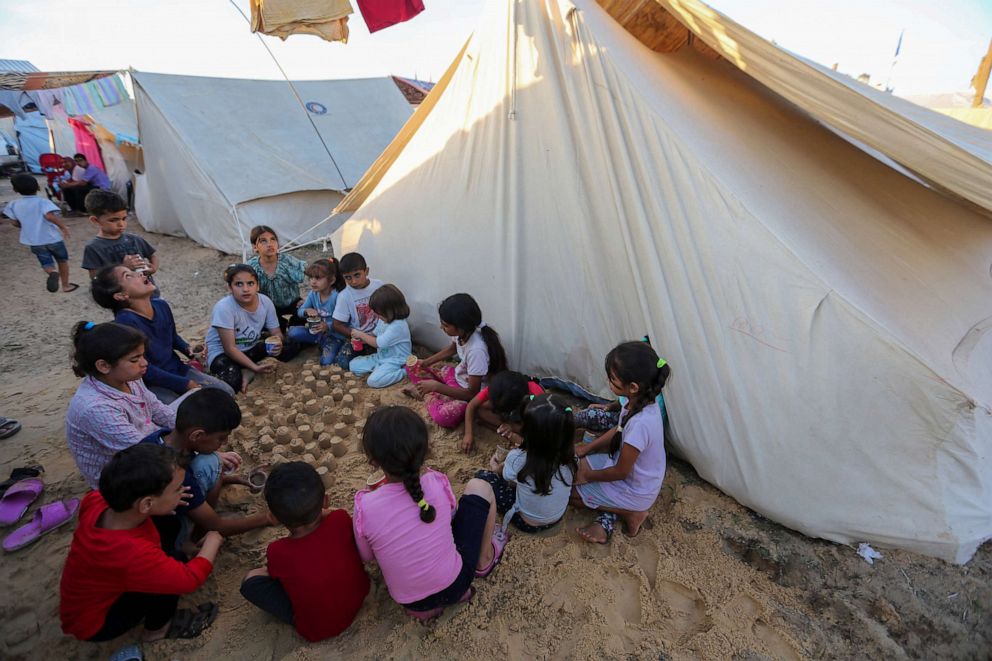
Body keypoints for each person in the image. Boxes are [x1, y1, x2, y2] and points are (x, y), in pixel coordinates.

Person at [353, 406, 506, 621]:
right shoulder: (435, 482)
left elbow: (367, 556)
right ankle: (484, 559)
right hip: (456, 583)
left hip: (409, 600)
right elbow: (452, 518)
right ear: (426, 450)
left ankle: (424, 610)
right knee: (480, 487)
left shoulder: (364, 504)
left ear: (373, 462)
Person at [60, 444, 223, 642]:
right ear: (146, 504)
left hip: (88, 596)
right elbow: (189, 579)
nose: (182, 492)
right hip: (98, 622)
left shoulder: (97, 500)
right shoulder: (132, 554)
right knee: (177, 560)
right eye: (177, 489)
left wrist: (164, 504)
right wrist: (212, 541)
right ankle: (157, 631)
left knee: (169, 524)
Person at [241, 462, 369, 641]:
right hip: (359, 596)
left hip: (317, 629)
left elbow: (276, 574)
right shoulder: (340, 518)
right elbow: (329, 516)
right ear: (326, 500)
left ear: (274, 518)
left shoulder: (278, 551)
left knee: (251, 581)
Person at [140, 389, 272, 547]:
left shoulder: (158, 439)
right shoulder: (176, 473)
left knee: (212, 462)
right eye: (221, 438)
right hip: (165, 534)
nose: (224, 443)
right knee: (212, 462)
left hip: (157, 513)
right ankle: (192, 537)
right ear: (197, 436)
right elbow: (216, 526)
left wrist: (234, 479)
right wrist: (267, 518)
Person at [572, 341, 671, 543]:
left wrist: (588, 475)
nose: (609, 382)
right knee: (574, 465)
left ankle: (632, 513)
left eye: (612, 379)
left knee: (570, 494)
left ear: (633, 387)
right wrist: (586, 449)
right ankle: (621, 510)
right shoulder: (636, 404)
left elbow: (620, 472)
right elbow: (618, 428)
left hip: (636, 488)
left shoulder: (642, 425)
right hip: (634, 475)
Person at [91, 264, 235, 403]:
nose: (140, 273)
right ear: (121, 295)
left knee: (226, 392)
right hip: (151, 382)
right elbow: (143, 369)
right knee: (181, 413)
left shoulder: (161, 305)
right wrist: (184, 384)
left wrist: (188, 349)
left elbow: (172, 337)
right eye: (128, 276)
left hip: (177, 369)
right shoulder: (125, 325)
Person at [65, 321, 175, 489]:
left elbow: (158, 409)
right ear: (103, 366)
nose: (145, 363)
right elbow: (144, 450)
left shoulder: (128, 379)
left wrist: (186, 430)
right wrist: (190, 446)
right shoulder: (95, 407)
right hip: (119, 478)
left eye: (143, 356)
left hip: (145, 444)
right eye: (135, 359)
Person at [474, 394, 577, 533]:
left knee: (484, 476)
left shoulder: (518, 458)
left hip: (527, 522)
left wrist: (496, 468)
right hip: (556, 517)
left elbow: (506, 477)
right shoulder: (571, 458)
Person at [404, 293, 508, 428]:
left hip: (468, 392)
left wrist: (437, 387)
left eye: (445, 325)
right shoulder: (462, 334)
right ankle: (431, 392)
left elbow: (472, 394)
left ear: (460, 326)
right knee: (413, 367)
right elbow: (451, 349)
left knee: (443, 417)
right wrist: (426, 362)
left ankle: (429, 394)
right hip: (457, 377)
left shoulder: (477, 351)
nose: (441, 328)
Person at [206, 264, 300, 394]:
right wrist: (254, 367)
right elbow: (230, 348)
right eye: (239, 284)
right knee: (233, 381)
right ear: (229, 287)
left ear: (258, 286)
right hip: (223, 354)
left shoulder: (265, 302)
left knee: (291, 346)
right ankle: (247, 369)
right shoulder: (224, 308)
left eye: (250, 283)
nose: (245, 289)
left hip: (250, 347)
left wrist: (278, 343)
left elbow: (276, 332)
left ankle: (247, 368)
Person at [1, 173, 78, 293]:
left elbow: (15, 223)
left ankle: (52, 272)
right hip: (53, 239)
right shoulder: (43, 202)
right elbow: (49, 215)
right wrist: (63, 227)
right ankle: (66, 285)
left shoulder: (13, 205)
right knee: (62, 261)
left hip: (35, 241)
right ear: (38, 187)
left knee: (46, 263)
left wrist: (24, 224)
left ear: (15, 190)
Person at [81, 189, 159, 287]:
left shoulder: (134, 239)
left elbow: (152, 256)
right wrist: (123, 267)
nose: (121, 224)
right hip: (122, 298)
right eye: (113, 220)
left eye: (124, 219)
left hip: (148, 291)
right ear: (95, 220)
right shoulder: (93, 248)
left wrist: (153, 268)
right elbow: (95, 278)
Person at [461, 370, 545, 453]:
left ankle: (509, 431)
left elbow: (539, 427)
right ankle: (506, 430)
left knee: (528, 433)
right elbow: (472, 405)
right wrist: (468, 434)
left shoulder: (535, 396)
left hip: (526, 417)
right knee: (480, 409)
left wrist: (512, 427)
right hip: (509, 412)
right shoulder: (496, 388)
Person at [286, 258, 348, 366]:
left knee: (326, 362)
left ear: (332, 280)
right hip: (318, 332)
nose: (313, 281)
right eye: (311, 278)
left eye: (318, 278)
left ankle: (331, 345)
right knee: (292, 332)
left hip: (335, 335)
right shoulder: (313, 294)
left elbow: (344, 321)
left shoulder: (337, 296)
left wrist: (327, 326)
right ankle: (321, 342)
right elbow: (299, 311)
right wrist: (306, 311)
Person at [348, 284, 412, 388]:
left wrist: (361, 334)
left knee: (373, 381)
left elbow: (378, 343)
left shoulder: (398, 326)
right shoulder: (384, 320)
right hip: (381, 357)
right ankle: (379, 370)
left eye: (379, 313)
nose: (377, 316)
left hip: (396, 360)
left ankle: (405, 371)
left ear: (391, 310)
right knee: (353, 365)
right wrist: (360, 340)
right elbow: (374, 335)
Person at [246, 226, 307, 332]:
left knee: (304, 317)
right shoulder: (252, 266)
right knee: (268, 326)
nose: (269, 244)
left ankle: (292, 326)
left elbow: (303, 274)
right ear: (255, 247)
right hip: (268, 306)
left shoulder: (287, 260)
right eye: (263, 241)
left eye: (273, 239)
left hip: (293, 302)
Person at [330, 252, 384, 368]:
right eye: (348, 278)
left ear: (366, 271)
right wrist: (355, 336)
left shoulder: (379, 286)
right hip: (360, 339)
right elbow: (337, 324)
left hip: (381, 335)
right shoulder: (344, 296)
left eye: (357, 275)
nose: (353, 281)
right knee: (343, 363)